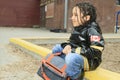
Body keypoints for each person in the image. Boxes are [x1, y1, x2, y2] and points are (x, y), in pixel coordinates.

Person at [52, 2, 104, 80]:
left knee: (71, 58)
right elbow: (71, 42)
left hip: (89, 60)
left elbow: (96, 50)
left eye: (76, 15)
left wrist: (73, 50)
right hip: (76, 54)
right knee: (56, 48)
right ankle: (64, 70)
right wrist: (67, 46)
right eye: (72, 15)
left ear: (87, 18)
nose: (72, 18)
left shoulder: (92, 30)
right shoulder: (77, 28)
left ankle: (75, 77)